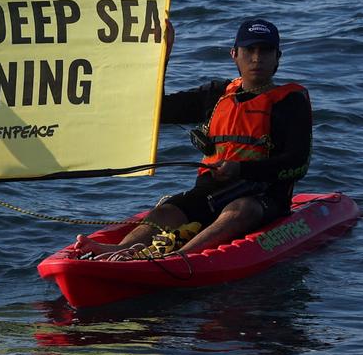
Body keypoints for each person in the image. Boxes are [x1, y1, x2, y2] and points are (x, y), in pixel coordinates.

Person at [91, 16, 311, 260]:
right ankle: (117, 251)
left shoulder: (291, 102)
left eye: (266, 51)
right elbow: (158, 110)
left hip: (264, 198)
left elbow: (297, 164)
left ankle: (180, 257)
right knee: (166, 212)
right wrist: (160, 58)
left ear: (277, 57)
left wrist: (241, 169)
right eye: (249, 50)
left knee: (240, 209)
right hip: (211, 193)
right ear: (234, 54)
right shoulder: (216, 94)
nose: (257, 58)